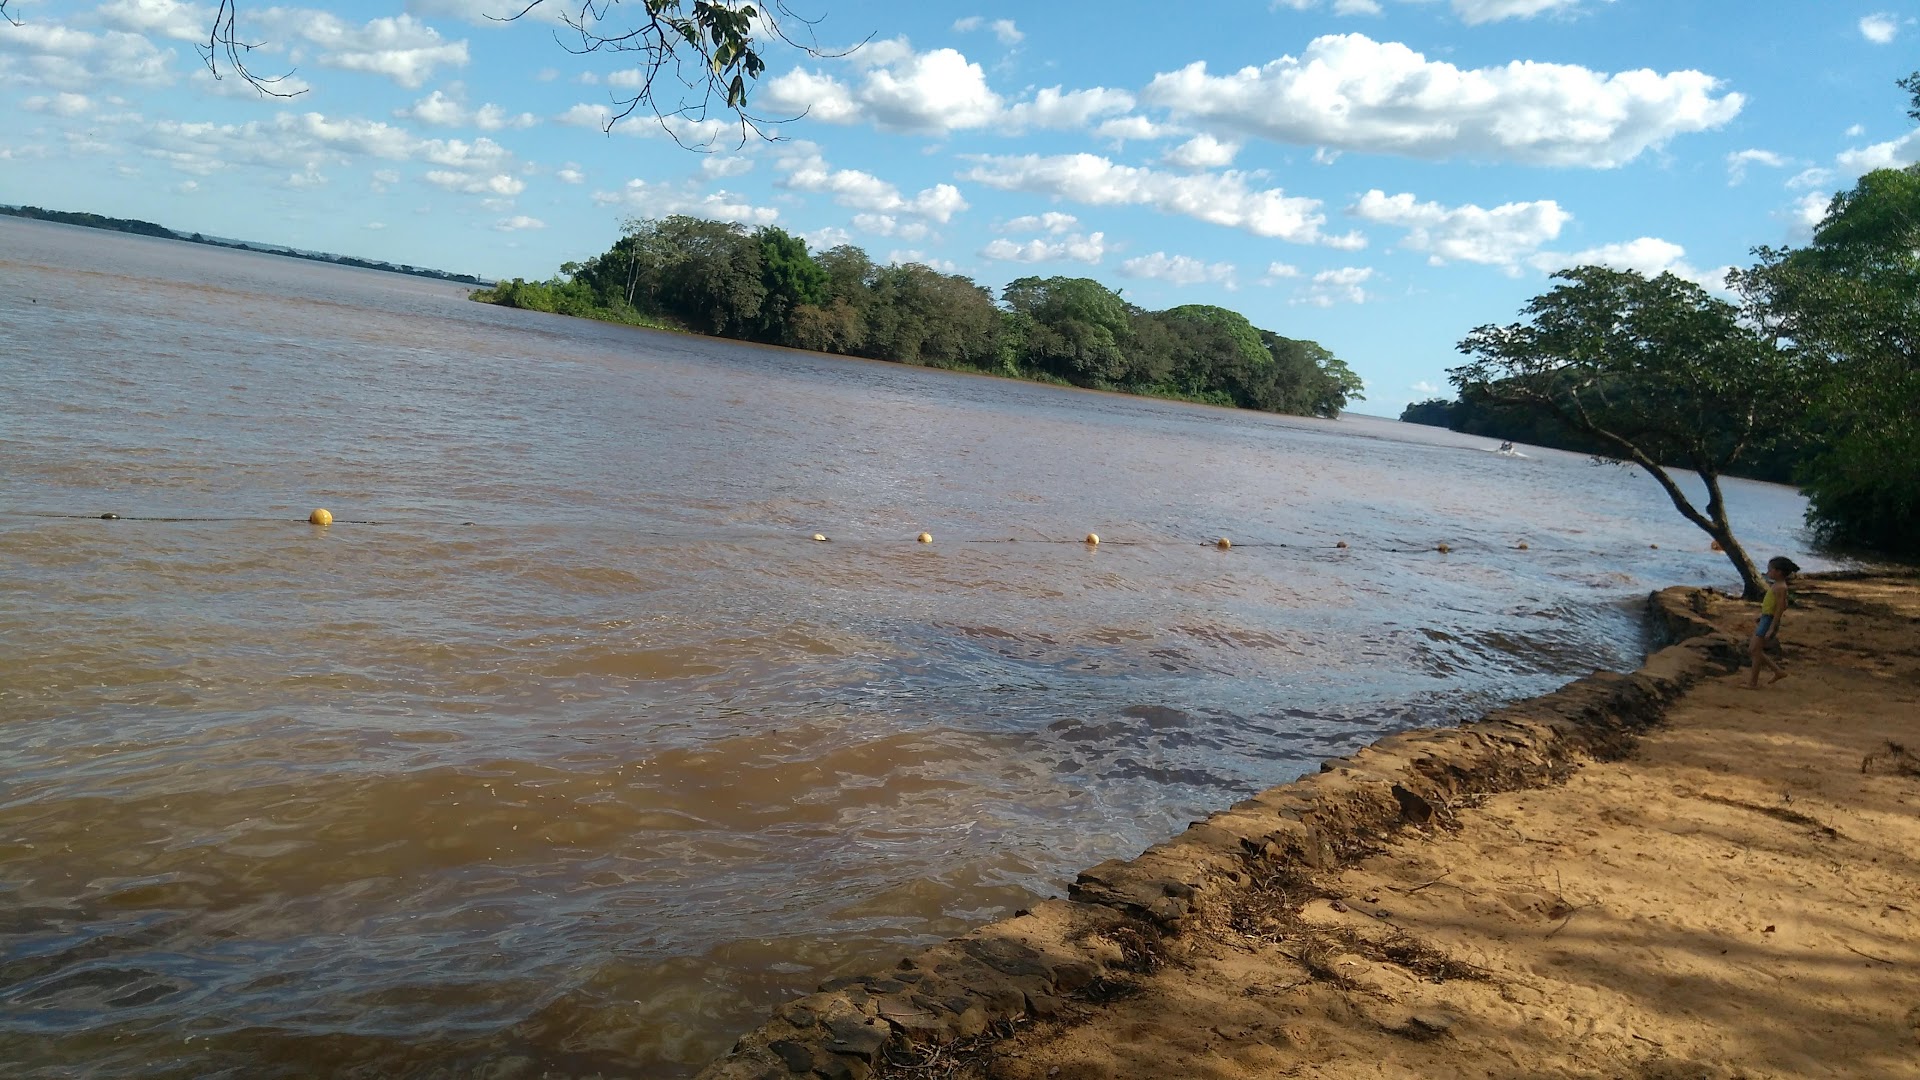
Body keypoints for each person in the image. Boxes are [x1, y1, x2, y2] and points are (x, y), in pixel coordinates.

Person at [1745, 556, 1800, 689]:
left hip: (1768, 621)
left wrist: (1771, 626)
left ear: (1779, 572)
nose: (1768, 572)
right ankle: (1777, 671)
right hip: (1766, 618)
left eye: (1770, 570)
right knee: (1754, 650)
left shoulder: (1781, 587)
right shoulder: (1776, 585)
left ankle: (1754, 682)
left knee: (1754, 650)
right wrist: (1763, 615)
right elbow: (1779, 604)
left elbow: (1781, 607)